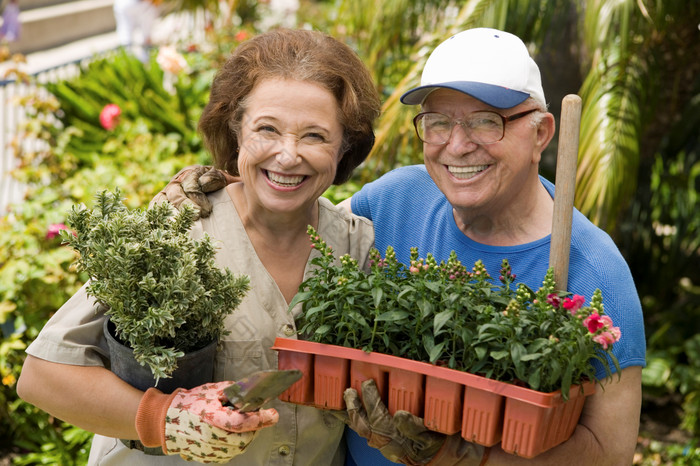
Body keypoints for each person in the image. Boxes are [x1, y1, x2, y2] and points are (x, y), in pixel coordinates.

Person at [161, 27, 646, 466]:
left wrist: (459, 456)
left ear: (540, 132)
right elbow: (293, 213)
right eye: (438, 123)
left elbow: (609, 452)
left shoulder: (594, 270)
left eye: (485, 122)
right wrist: (222, 186)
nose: (457, 145)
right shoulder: (396, 199)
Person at [17, 28, 382, 465]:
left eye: (314, 136)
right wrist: (164, 418)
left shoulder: (356, 247)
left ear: (345, 146)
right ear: (236, 130)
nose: (288, 155)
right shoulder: (180, 226)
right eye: (267, 129)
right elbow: (42, 375)